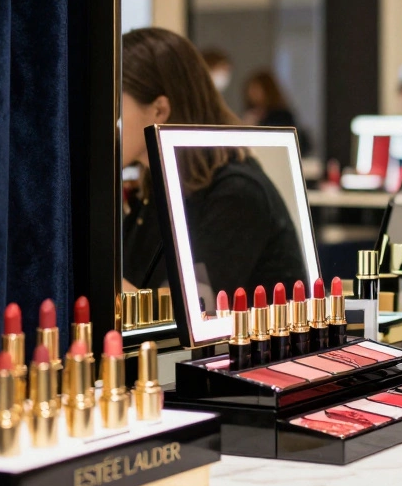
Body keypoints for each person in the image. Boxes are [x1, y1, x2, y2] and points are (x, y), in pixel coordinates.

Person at [121, 28, 307, 305]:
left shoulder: (237, 194)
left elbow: (185, 314)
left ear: (159, 110)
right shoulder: (152, 189)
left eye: (115, 106)